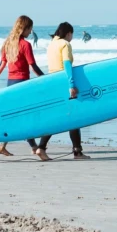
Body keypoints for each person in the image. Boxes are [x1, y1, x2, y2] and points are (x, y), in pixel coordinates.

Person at [0, 15, 44, 156]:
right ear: (24, 28)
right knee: (26, 116)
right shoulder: (25, 45)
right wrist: (46, 79)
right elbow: (33, 66)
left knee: (16, 116)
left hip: (10, 84)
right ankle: (33, 147)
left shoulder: (7, 43)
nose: (30, 32)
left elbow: (2, 64)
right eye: (30, 29)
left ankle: (3, 145)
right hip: (22, 84)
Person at [36, 22, 91, 161]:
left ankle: (41, 148)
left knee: (58, 116)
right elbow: (67, 64)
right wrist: (71, 84)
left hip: (52, 82)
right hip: (63, 82)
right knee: (73, 117)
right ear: (68, 33)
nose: (71, 37)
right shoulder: (65, 44)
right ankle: (77, 152)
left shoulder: (52, 44)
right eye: (72, 34)